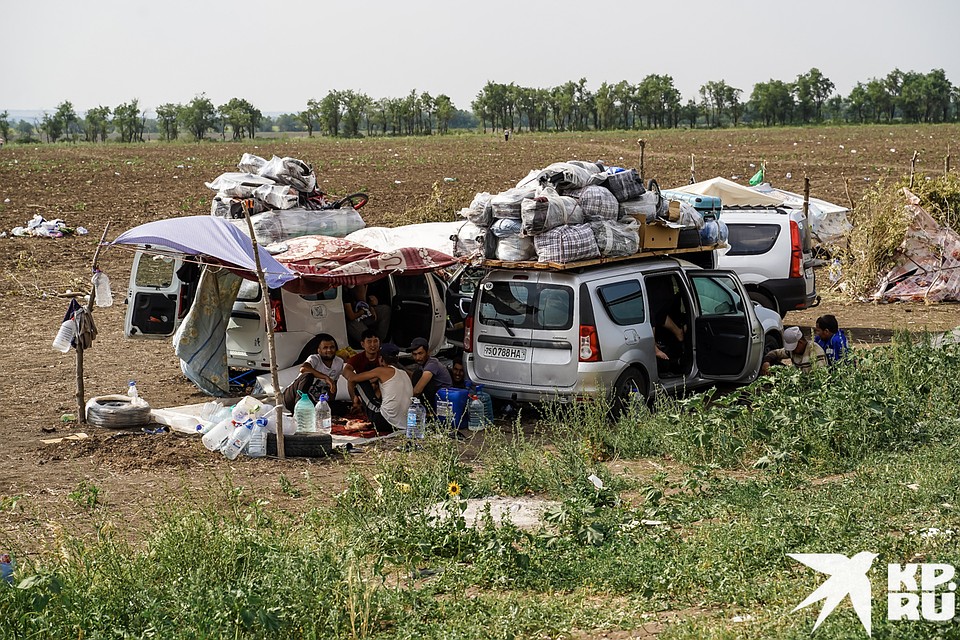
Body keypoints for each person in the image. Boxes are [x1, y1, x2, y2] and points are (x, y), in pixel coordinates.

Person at [341, 342, 413, 433]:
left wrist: (354, 397)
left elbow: (352, 378)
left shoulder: (381, 371)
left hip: (383, 422)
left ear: (381, 358)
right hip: (403, 423)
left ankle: (356, 406)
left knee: (361, 382)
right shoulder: (404, 373)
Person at [282, 333, 344, 412]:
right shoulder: (314, 358)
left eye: (332, 347)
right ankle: (300, 408)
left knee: (341, 408)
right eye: (325, 348)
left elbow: (333, 385)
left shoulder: (339, 362)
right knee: (308, 375)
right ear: (319, 350)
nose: (329, 350)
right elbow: (303, 369)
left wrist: (329, 404)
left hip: (314, 400)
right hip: (292, 397)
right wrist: (325, 377)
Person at [343, 329, 382, 413]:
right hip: (362, 386)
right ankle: (355, 404)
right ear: (362, 344)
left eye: (375, 341)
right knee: (351, 380)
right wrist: (357, 378)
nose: (373, 345)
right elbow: (346, 371)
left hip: (379, 386)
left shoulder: (382, 357)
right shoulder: (357, 358)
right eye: (369, 342)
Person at [762, 326, 827, 375]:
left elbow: (821, 375)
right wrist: (766, 362)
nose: (792, 351)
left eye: (794, 347)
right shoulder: (792, 351)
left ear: (801, 342)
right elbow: (775, 353)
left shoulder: (816, 352)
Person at [408, 337, 453, 406]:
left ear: (427, 352)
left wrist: (406, 400)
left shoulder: (432, 364)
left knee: (418, 375)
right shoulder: (423, 364)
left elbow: (417, 390)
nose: (417, 358)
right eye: (414, 354)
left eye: (420, 353)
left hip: (444, 398)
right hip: (436, 396)